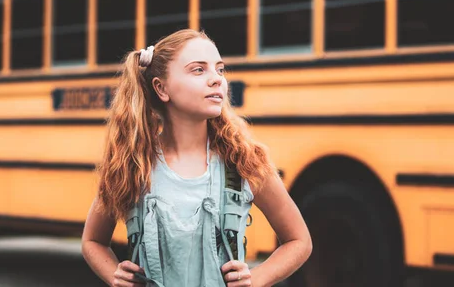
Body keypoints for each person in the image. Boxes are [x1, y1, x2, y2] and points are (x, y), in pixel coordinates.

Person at [81, 29, 312, 287]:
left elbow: (299, 240)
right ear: (162, 88)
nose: (216, 80)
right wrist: (114, 274)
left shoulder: (244, 161)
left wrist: (257, 279)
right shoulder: (134, 165)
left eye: (220, 69)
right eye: (198, 70)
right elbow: (93, 241)